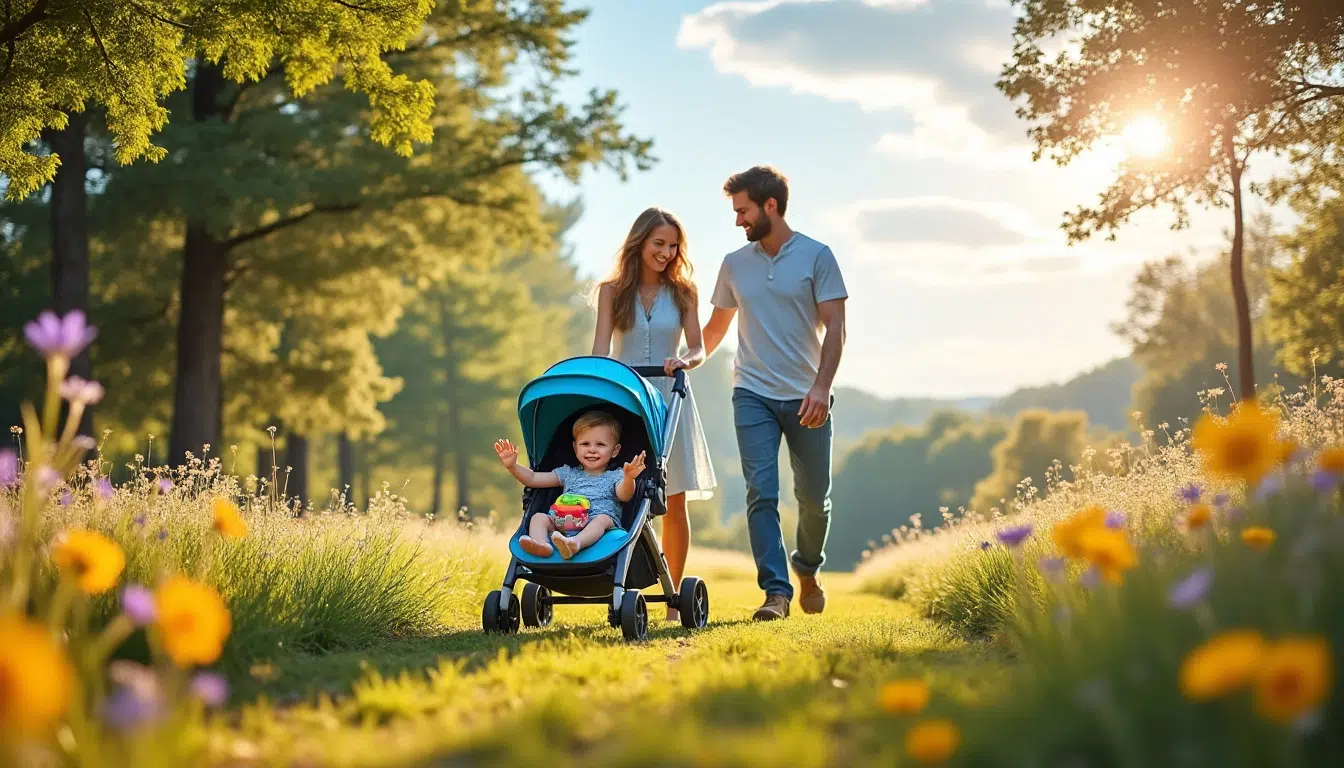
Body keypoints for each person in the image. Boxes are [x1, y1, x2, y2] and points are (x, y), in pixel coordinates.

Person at [702, 165, 848, 622]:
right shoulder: (734, 264)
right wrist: (684, 361)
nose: (738, 220)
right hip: (752, 393)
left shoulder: (817, 256)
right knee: (760, 492)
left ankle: (806, 568)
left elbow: (837, 328)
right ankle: (776, 592)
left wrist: (822, 387)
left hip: (808, 398)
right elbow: (715, 330)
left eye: (743, 210)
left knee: (813, 498)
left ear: (770, 206)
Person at [592, 206, 718, 621]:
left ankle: (671, 599)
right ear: (639, 242)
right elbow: (601, 350)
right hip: (626, 401)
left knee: (674, 500)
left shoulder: (684, 292)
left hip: (670, 399)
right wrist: (595, 388)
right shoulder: (612, 291)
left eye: (673, 246)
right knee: (622, 495)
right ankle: (619, 589)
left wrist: (684, 360)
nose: (666, 253)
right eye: (658, 244)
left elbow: (698, 347)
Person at [494, 410, 646, 560]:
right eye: (585, 444)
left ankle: (575, 543)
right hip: (562, 522)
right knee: (539, 517)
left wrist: (629, 478)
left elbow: (624, 495)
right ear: (575, 448)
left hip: (596, 525)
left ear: (615, 450)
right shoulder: (568, 473)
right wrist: (513, 466)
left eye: (600, 444)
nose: (592, 449)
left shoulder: (616, 475)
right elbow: (533, 478)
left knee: (603, 519)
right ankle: (542, 545)